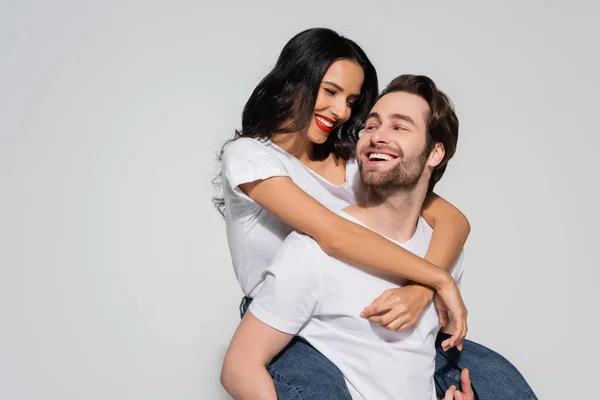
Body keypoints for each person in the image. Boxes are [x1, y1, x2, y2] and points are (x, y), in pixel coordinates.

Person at [215, 28, 536, 399]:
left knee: (500, 383)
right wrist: (439, 281)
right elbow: (333, 236)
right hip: (287, 321)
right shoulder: (250, 157)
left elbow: (452, 220)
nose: (342, 112)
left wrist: (420, 290)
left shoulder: (354, 160)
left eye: (352, 100)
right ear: (297, 80)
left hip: (371, 305)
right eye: (331, 91)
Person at [221, 75, 471, 399]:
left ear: (435, 153)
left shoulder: (443, 251)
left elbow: (405, 367)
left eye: (399, 127)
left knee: (502, 385)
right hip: (278, 312)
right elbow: (238, 369)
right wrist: (439, 280)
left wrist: (429, 284)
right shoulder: (309, 255)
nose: (378, 136)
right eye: (371, 126)